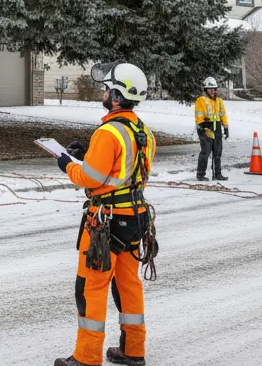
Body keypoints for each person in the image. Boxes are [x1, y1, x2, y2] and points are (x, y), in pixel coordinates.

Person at [52, 62, 157, 366]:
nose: (104, 92)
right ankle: (133, 349)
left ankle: (86, 358)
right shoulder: (143, 131)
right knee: (128, 285)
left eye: (107, 88)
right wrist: (87, 154)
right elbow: (126, 169)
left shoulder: (109, 131)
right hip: (135, 219)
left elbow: (90, 178)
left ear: (115, 95)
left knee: (91, 287)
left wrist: (68, 164)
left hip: (105, 222)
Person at [194, 77, 229, 181]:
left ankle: (217, 174)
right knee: (206, 152)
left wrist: (226, 127)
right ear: (206, 90)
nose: (212, 91)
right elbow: (198, 115)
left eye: (214, 88)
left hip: (217, 127)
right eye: (210, 89)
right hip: (206, 127)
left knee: (217, 152)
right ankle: (200, 174)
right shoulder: (201, 100)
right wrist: (201, 126)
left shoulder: (219, 101)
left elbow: (223, 115)